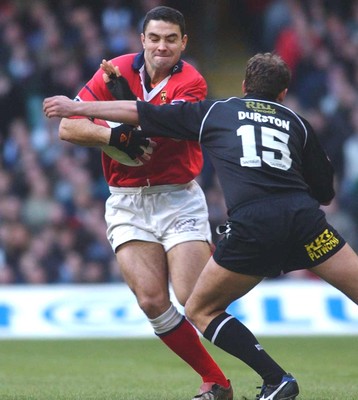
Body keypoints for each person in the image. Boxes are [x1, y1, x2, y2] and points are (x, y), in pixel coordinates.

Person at [44, 52, 358, 400]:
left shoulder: (217, 111)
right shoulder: (297, 122)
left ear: (243, 87)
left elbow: (141, 113)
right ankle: (240, 380)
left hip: (254, 225)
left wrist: (76, 109)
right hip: (305, 222)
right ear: (283, 93)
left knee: (199, 308)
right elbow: (326, 192)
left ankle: (277, 378)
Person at [45, 5, 233, 400]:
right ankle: (216, 382)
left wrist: (106, 117)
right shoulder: (116, 68)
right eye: (154, 38)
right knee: (151, 300)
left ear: (184, 43)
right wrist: (113, 138)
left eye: (170, 39)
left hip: (178, 197)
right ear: (142, 40)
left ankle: (264, 363)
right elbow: (67, 127)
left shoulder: (192, 82)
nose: (161, 47)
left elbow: (158, 128)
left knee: (192, 297)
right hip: (127, 200)